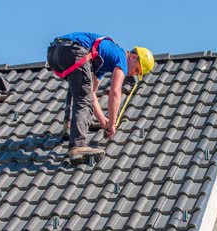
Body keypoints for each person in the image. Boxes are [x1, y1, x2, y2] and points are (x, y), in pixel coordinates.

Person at [47, 32, 154, 164]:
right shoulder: (121, 56)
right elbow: (115, 92)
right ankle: (78, 145)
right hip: (73, 49)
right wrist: (113, 123)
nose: (133, 74)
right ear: (133, 57)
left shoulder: (101, 60)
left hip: (54, 52)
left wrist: (104, 121)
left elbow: (92, 93)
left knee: (79, 85)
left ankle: (69, 126)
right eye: (137, 70)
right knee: (83, 97)